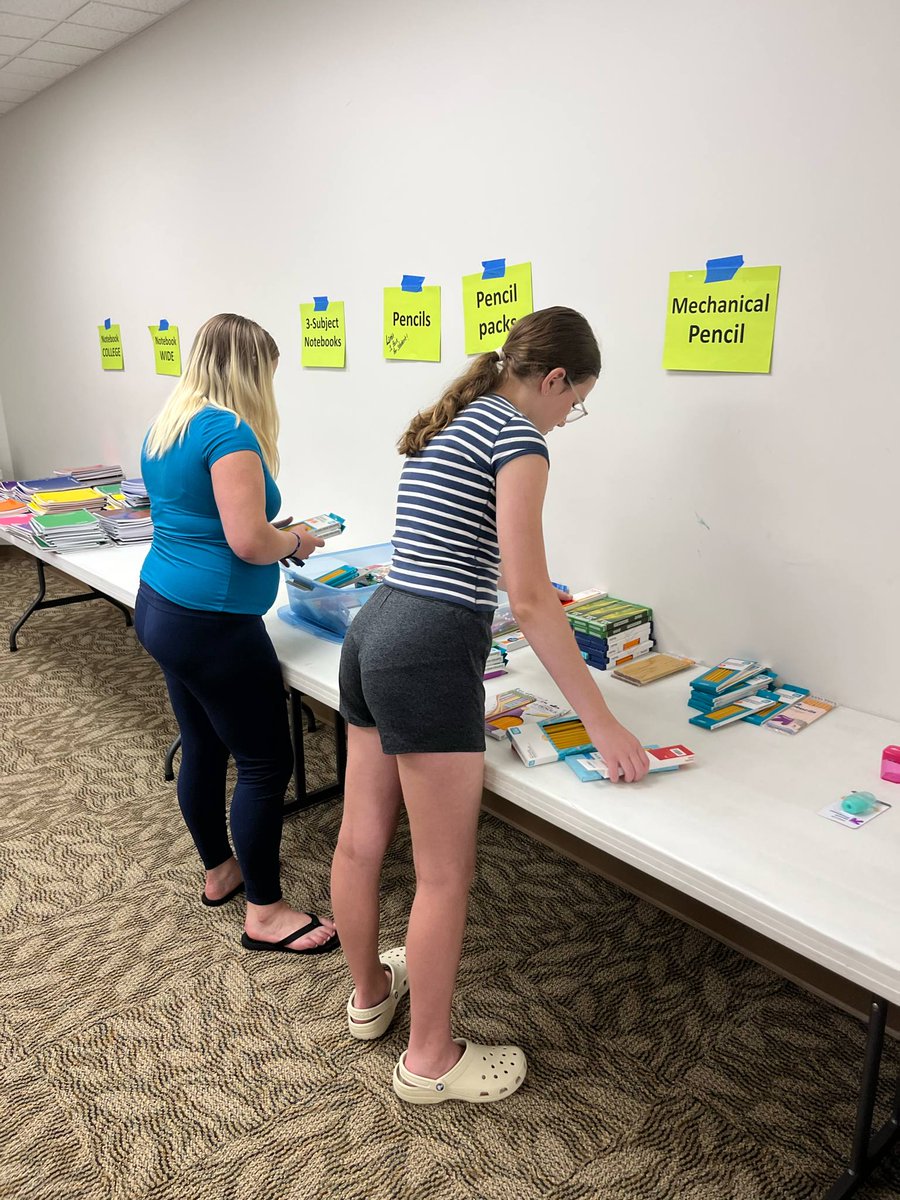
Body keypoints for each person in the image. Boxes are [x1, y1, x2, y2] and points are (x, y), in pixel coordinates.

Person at [330, 306, 649, 1104]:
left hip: (375, 631)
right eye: (573, 403)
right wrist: (602, 720)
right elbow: (532, 598)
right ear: (552, 380)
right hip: (428, 650)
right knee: (444, 876)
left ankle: (371, 996)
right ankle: (430, 1060)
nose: (566, 418)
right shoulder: (519, 438)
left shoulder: (459, 417)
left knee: (360, 841)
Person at [135, 313, 339, 955]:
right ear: (250, 371)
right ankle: (266, 911)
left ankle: (221, 870)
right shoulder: (228, 431)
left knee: (202, 745)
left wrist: (274, 538)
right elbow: (250, 541)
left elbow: (203, 520)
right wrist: (298, 540)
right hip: (213, 625)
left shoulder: (167, 426)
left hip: (162, 603)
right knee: (264, 762)